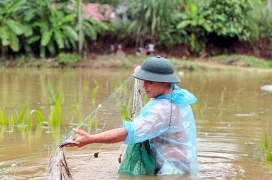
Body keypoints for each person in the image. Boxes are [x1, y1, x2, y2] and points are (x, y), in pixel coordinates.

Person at [66, 56, 198, 176]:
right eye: (143, 80)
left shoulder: (162, 111)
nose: (144, 85)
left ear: (164, 82)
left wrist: (91, 139)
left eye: (149, 82)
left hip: (171, 171)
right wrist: (142, 71)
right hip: (183, 162)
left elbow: (128, 132)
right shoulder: (176, 94)